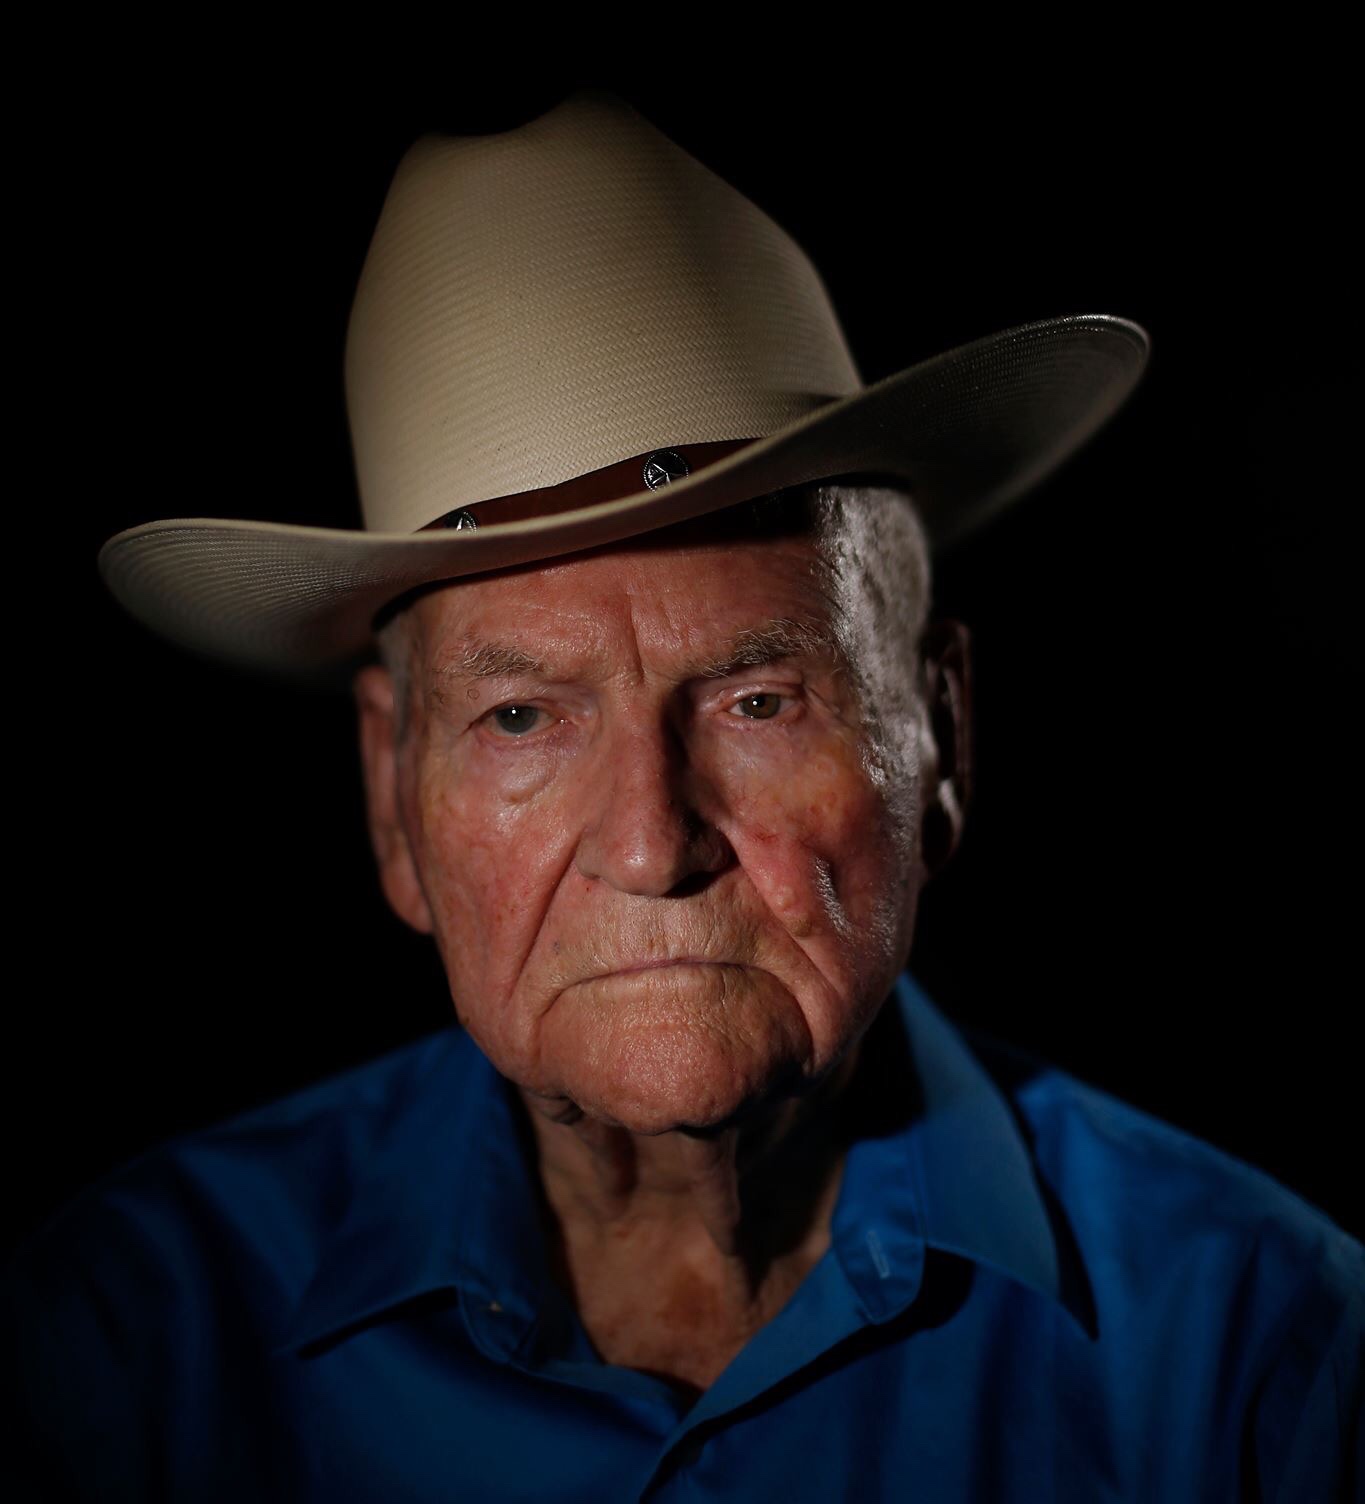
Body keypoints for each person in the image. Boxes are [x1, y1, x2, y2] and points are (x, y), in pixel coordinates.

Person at [8, 90, 1360, 1501]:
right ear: (392, 800)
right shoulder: (120, 1349)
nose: (653, 847)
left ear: (940, 739)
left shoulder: (1264, 1360)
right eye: (521, 717)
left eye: (757, 701)